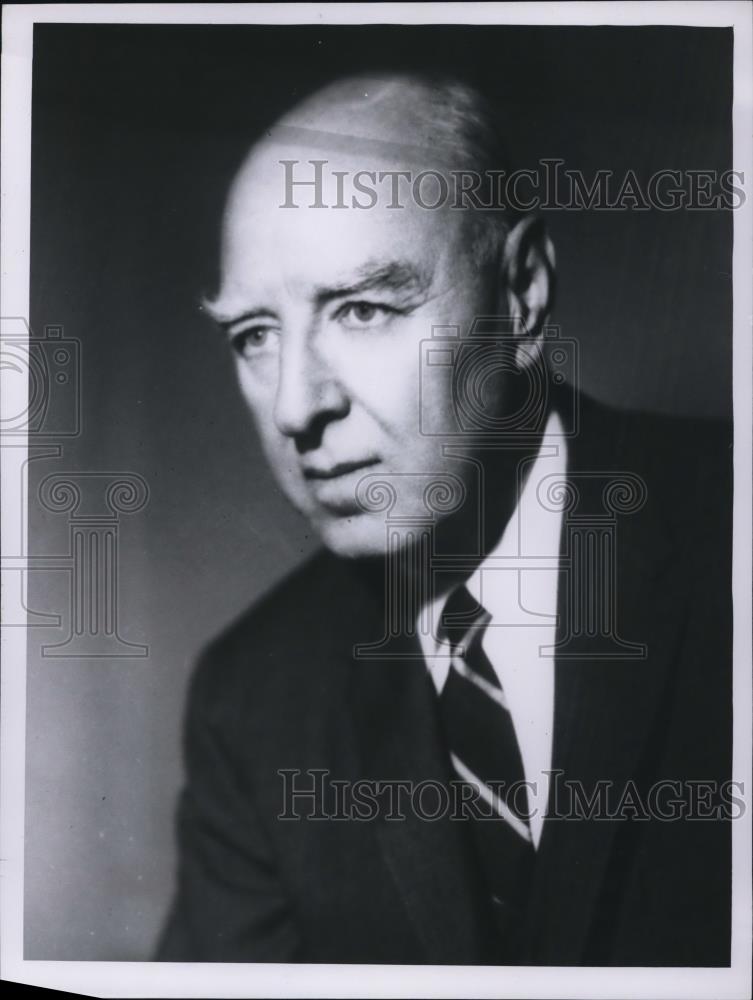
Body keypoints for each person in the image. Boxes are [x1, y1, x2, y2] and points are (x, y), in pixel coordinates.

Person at [156, 73, 732, 965]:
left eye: (362, 308)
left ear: (522, 294)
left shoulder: (730, 524)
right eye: (255, 337)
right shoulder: (252, 699)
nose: (295, 408)